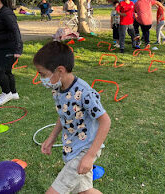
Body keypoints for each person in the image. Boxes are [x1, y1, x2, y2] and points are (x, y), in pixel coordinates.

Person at [33, 41, 111, 194]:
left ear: (60, 70)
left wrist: (90, 156)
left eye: (43, 74)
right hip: (71, 148)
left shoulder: (84, 93)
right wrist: (51, 137)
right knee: (85, 191)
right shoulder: (58, 88)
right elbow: (64, 114)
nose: (41, 78)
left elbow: (105, 121)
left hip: (84, 150)